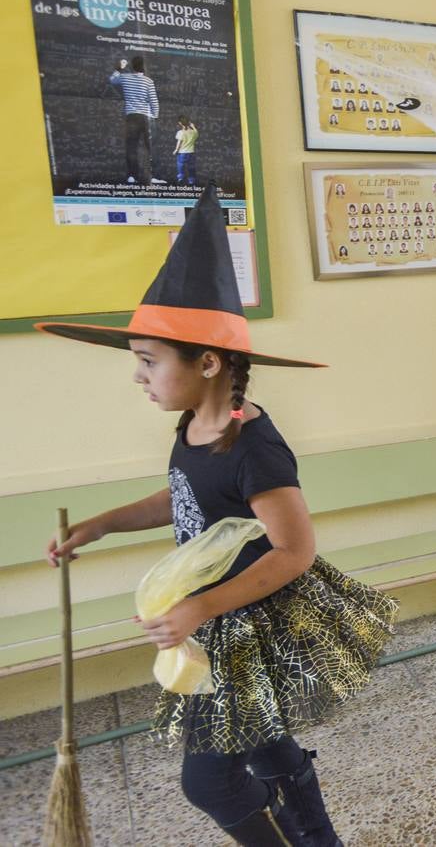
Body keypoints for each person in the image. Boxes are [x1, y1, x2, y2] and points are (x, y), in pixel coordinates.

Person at [38, 186, 397, 846]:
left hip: (243, 624)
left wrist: (204, 608)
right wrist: (102, 523)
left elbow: (294, 551)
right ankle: (318, 837)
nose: (137, 376)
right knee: (261, 741)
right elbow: (181, 500)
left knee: (209, 781)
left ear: (207, 363)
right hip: (214, 618)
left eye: (148, 362)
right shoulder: (195, 424)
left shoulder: (253, 446)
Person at [109, 57, 164, 185]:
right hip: (147, 117)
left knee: (132, 147)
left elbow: (112, 80)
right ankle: (153, 176)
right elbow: (154, 101)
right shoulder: (148, 81)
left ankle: (132, 176)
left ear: (132, 66)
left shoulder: (125, 77)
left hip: (132, 116)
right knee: (151, 148)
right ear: (144, 67)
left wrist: (119, 68)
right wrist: (155, 116)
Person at [174, 115, 199, 185]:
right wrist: (193, 126)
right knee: (191, 167)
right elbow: (197, 133)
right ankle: (191, 180)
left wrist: (176, 150)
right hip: (191, 152)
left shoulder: (180, 132)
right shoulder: (194, 132)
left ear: (180, 123)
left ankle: (180, 177)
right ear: (189, 122)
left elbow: (179, 142)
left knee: (180, 165)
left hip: (182, 152)